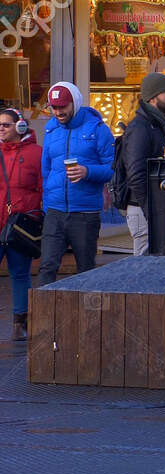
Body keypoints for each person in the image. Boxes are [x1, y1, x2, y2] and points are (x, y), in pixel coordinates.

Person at [38, 82, 115, 288]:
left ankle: (85, 317)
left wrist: (87, 171)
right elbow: (46, 171)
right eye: (54, 107)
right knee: (47, 266)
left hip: (85, 213)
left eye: (62, 106)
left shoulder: (98, 130)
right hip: (55, 211)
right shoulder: (51, 130)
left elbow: (113, 169)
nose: (58, 111)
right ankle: (43, 318)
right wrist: (47, 205)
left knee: (86, 269)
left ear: (75, 103)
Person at [115, 72, 165, 257]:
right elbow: (136, 173)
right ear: (154, 97)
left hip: (152, 206)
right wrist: (149, 209)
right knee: (144, 265)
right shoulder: (140, 127)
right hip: (143, 208)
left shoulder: (158, 124)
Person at [0, 109, 41, 340]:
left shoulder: (36, 153)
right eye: (0, 125)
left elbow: (43, 186)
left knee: (20, 273)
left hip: (20, 224)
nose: (1, 128)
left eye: (6, 124)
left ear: (20, 126)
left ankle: (19, 323)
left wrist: (37, 217)